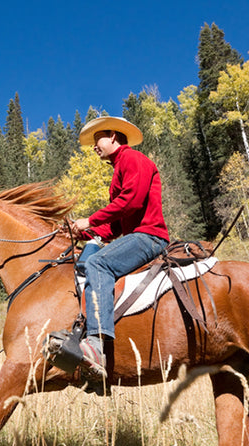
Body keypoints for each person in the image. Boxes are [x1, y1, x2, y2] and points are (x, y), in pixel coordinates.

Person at [67, 116, 170, 376]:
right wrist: (83, 232)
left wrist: (89, 219)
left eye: (97, 140)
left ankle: (96, 345)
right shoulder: (119, 167)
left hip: (149, 236)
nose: (93, 146)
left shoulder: (132, 159)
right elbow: (115, 226)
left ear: (113, 135)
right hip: (133, 236)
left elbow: (131, 202)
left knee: (96, 263)